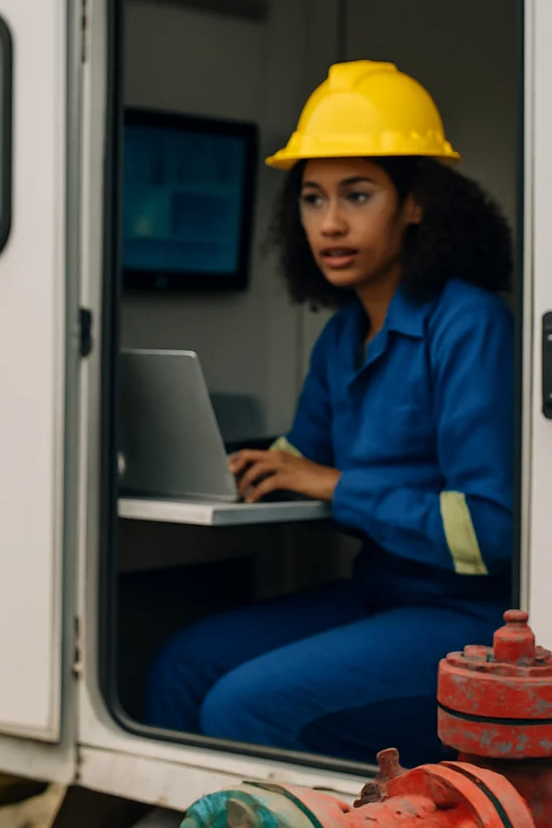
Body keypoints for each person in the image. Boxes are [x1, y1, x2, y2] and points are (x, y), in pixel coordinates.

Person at [143, 60, 513, 766]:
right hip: (376, 596)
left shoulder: (469, 323)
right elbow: (296, 457)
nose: (331, 223)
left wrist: (335, 486)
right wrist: (224, 466)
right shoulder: (344, 335)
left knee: (240, 704)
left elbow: (490, 531)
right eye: (313, 199)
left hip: (469, 622)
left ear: (415, 203)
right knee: (181, 663)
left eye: (358, 194)